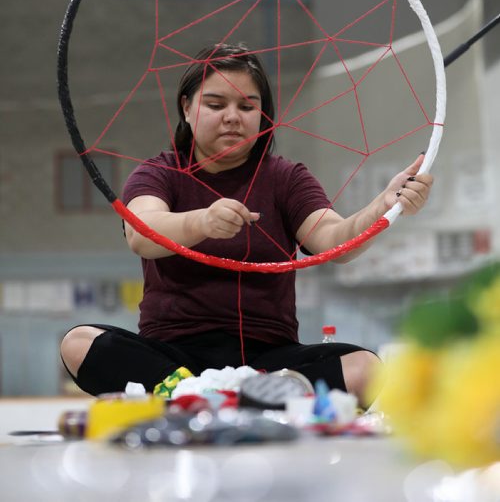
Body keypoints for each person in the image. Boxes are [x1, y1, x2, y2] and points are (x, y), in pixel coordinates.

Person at [60, 43, 433, 407]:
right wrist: (202, 221)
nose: (232, 117)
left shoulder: (286, 178)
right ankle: (193, 393)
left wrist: (383, 208)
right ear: (187, 108)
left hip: (269, 361)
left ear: (263, 116)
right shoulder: (159, 172)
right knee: (78, 343)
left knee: (366, 369)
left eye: (247, 106)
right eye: (215, 104)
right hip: (170, 360)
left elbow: (335, 241)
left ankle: (241, 397)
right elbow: (143, 234)